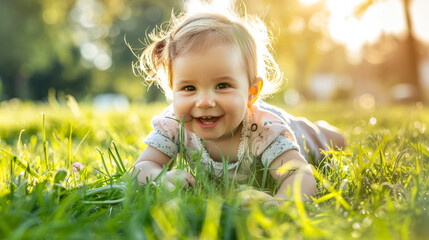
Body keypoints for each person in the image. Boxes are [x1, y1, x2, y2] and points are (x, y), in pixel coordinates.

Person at [132, 6, 345, 204]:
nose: (204, 101)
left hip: (299, 133)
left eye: (222, 85)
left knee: (330, 140)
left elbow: (299, 175)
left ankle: (324, 130)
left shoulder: (265, 130)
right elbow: (141, 168)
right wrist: (158, 178)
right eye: (189, 88)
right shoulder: (173, 124)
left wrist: (279, 204)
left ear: (251, 92)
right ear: (172, 89)